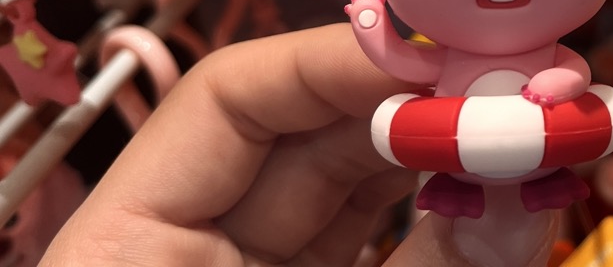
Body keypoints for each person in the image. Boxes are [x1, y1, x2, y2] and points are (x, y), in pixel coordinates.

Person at [42, 24, 559, 266]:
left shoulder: (547, 46)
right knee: (447, 190)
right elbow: (407, 67)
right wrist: (373, 32)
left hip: (527, 145)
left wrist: (560, 84)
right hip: (456, 150)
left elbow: (571, 71)